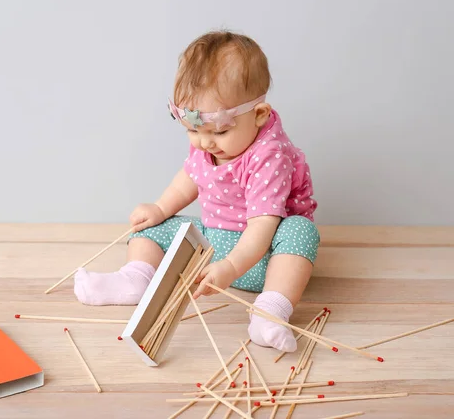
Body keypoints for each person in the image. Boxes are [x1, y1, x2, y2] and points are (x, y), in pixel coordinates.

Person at [74, 30, 320, 352]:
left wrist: (230, 268)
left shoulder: (269, 155)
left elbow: (262, 226)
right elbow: (190, 178)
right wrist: (160, 209)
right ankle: (136, 279)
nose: (205, 142)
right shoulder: (209, 145)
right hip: (209, 250)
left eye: (218, 131)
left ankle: (269, 311)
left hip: (262, 256)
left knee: (301, 231)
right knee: (153, 226)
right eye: (192, 130)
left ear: (258, 115)